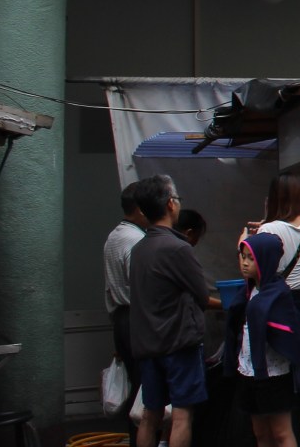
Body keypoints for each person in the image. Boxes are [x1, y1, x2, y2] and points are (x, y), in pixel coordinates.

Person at [128, 175, 208, 447]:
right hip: (178, 343)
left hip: (147, 345)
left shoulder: (139, 248)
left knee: (150, 415)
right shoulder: (178, 248)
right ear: (171, 204)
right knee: (182, 415)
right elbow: (201, 295)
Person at [227, 232, 300, 447]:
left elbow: (291, 332)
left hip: (274, 373)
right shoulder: (247, 292)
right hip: (248, 370)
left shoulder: (278, 294)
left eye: (251, 258)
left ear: (265, 260)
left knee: (281, 432)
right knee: (260, 432)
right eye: (243, 257)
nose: (245, 263)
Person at [255, 173, 300, 447]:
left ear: (273, 197)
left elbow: (258, 275)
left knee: (284, 384)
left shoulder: (268, 230)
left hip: (281, 311)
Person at [104, 181, 149, 434]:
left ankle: (136, 437)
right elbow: (141, 287)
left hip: (121, 318)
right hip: (136, 317)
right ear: (141, 209)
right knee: (145, 389)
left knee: (136, 386)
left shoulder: (115, 235)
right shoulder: (135, 240)